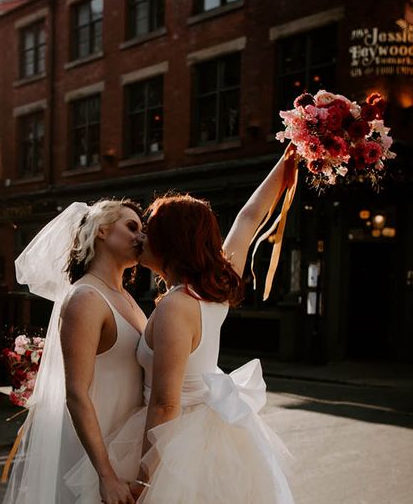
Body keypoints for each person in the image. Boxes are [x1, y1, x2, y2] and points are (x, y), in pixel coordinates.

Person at [69, 155, 297, 503]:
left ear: (169, 242)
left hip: (175, 443)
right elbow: (249, 218)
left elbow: (164, 404)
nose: (142, 237)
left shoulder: (177, 305)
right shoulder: (215, 286)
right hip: (211, 432)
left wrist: (146, 483)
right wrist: (292, 154)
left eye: (149, 230)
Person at [3, 199, 147, 504]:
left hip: (128, 443)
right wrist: (105, 474)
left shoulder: (126, 298)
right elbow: (76, 393)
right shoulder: (86, 298)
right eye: (131, 227)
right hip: (95, 455)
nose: (141, 237)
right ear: (103, 231)